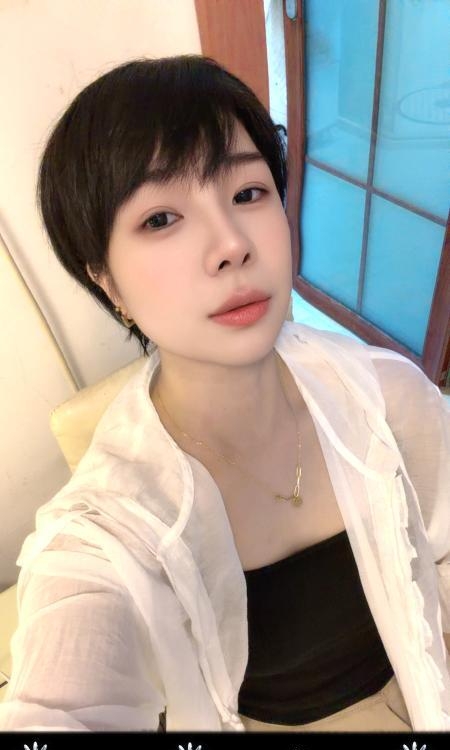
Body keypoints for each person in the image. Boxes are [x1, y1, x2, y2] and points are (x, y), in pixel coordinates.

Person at [0, 54, 449, 733]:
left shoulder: (389, 397)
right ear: (106, 282)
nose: (232, 245)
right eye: (160, 218)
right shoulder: (104, 529)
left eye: (247, 193)